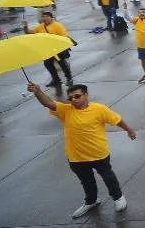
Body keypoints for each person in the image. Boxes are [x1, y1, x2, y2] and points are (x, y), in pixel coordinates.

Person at [28, 82, 135, 218]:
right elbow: (48, 103)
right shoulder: (65, 110)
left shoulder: (99, 109)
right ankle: (91, 201)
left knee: (108, 177)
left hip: (98, 154)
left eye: (77, 96)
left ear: (86, 95)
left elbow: (117, 120)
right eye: (70, 98)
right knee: (86, 181)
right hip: (76, 157)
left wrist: (129, 130)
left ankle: (118, 197)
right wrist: (37, 91)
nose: (73, 100)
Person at [23, 12, 75, 87]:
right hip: (47, 49)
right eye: (43, 16)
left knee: (62, 64)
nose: (44, 18)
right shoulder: (41, 26)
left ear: (51, 18)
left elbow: (63, 36)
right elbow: (29, 32)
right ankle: (56, 80)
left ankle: (69, 78)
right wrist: (25, 26)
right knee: (48, 64)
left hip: (57, 49)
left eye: (47, 16)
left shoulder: (57, 25)